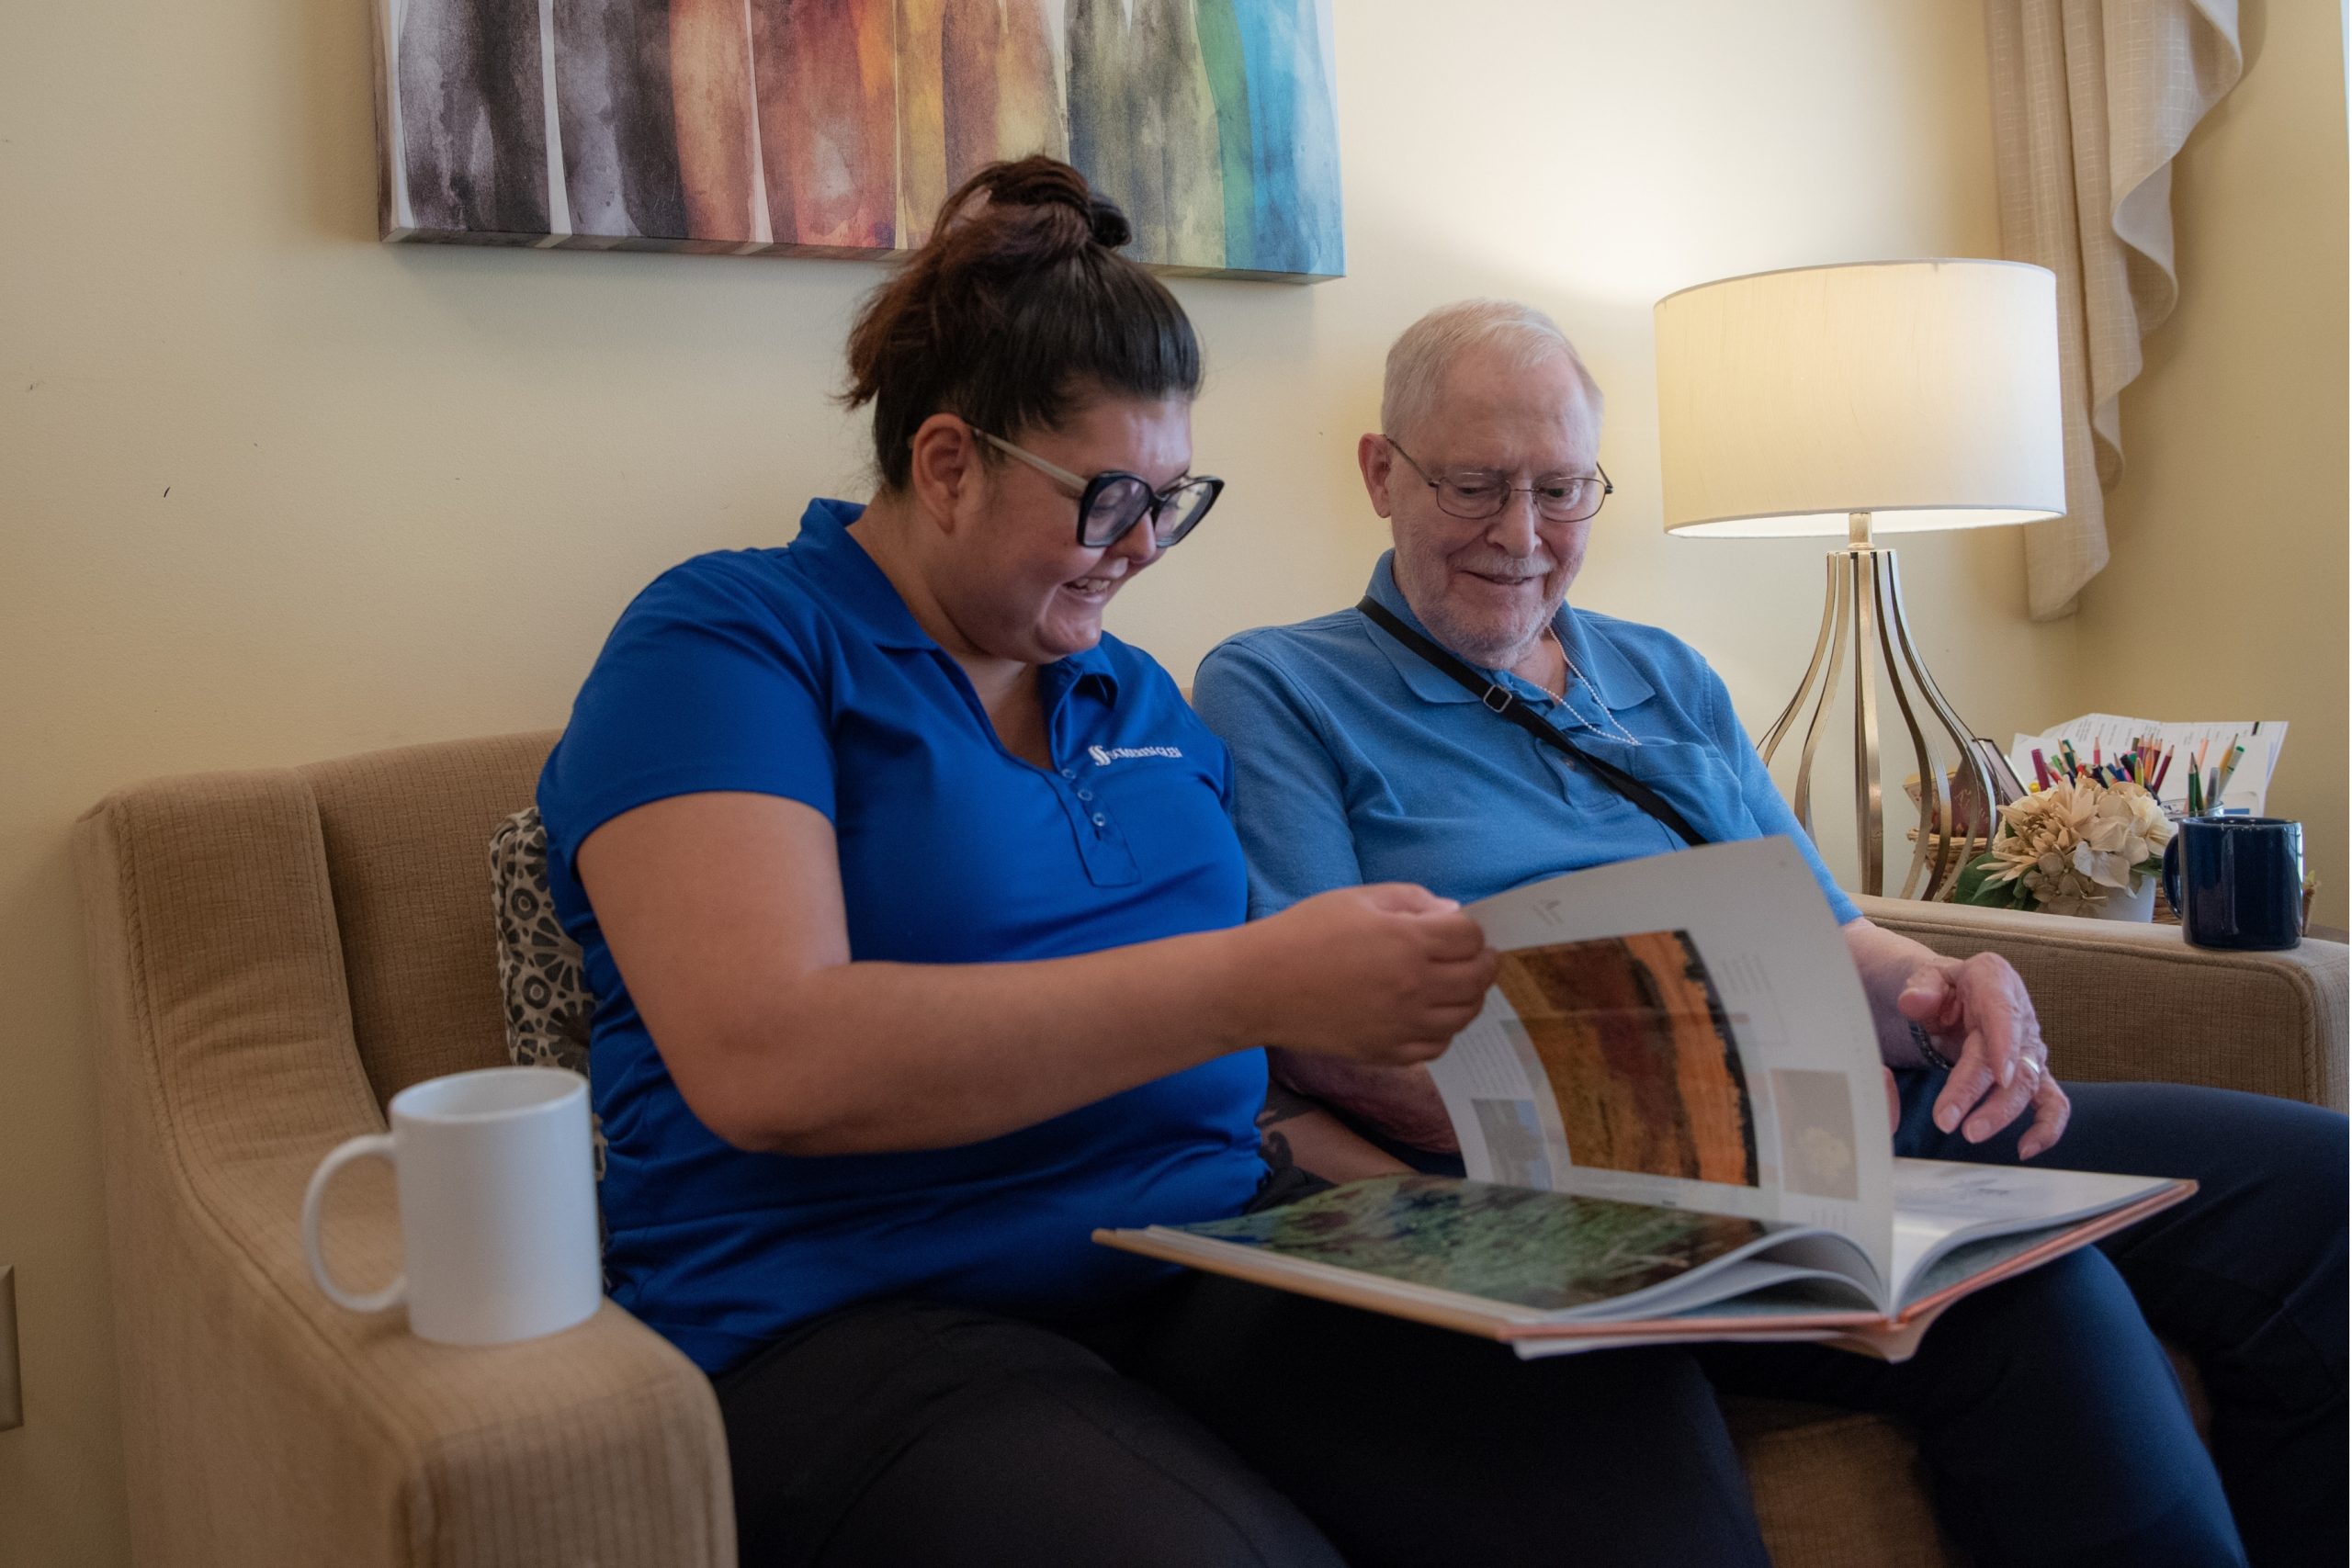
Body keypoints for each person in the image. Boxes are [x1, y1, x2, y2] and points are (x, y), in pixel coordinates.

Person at [1194, 299, 2348, 1568]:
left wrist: (1949, 986)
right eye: (1474, 487)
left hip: (1849, 1119)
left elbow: (1838, 936)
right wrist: (1702, 1143)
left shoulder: (1669, 673)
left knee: (2326, 1190)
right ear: (1381, 474)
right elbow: (1320, 1040)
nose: (1520, 537)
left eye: (1562, 491)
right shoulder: (1280, 686)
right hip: (1620, 1175)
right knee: (2034, 1289)